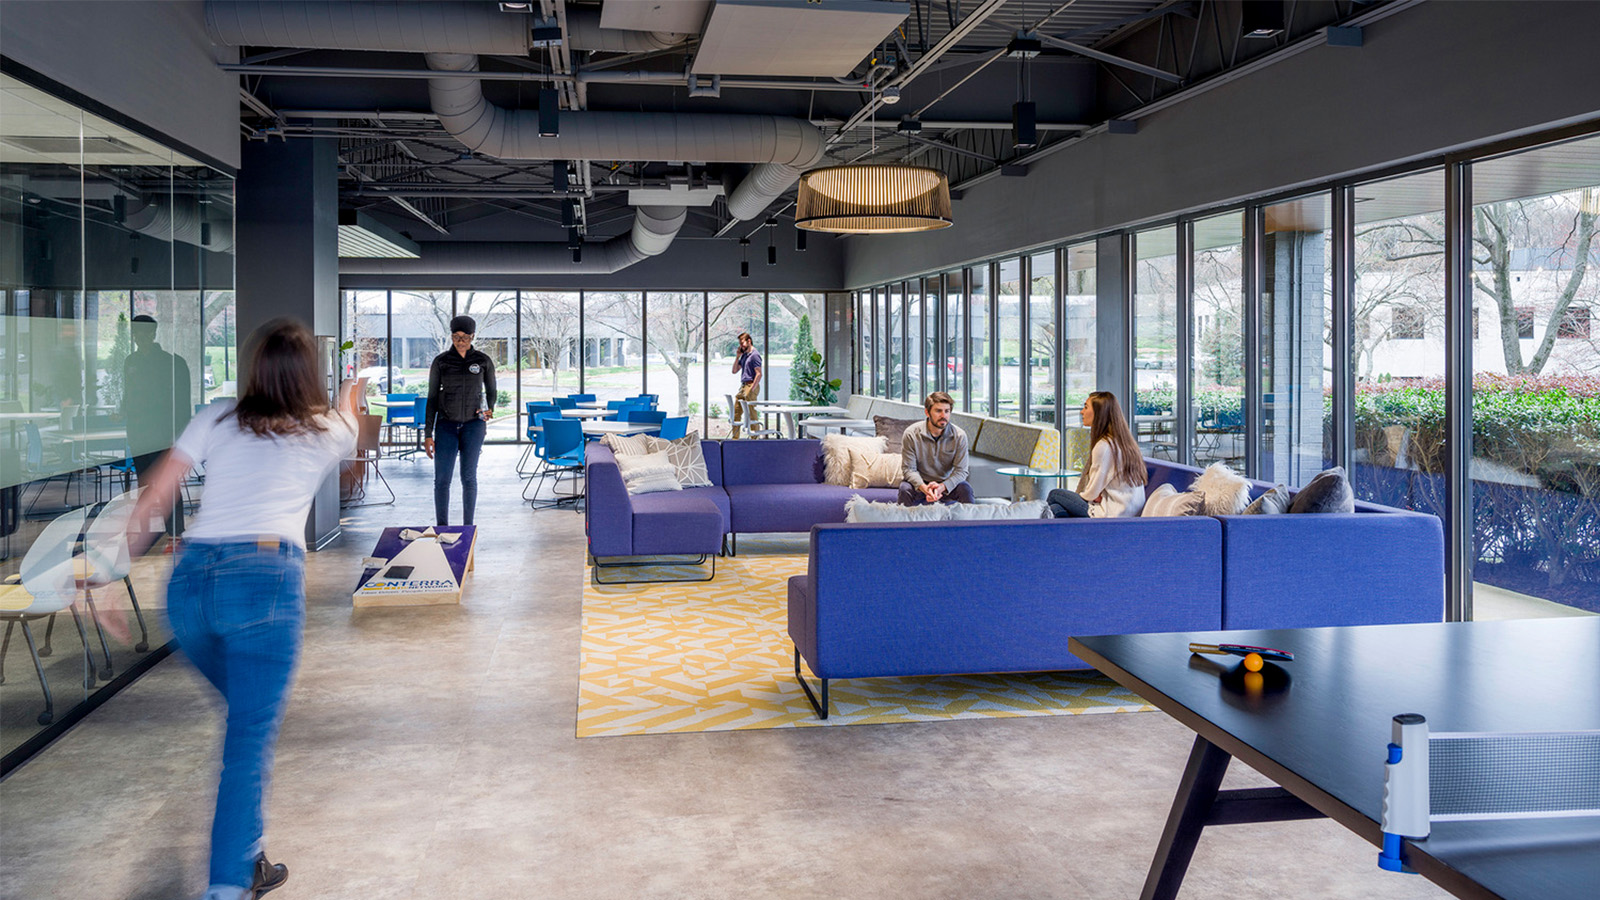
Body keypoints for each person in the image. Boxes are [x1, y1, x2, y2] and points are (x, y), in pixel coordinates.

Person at [123, 319, 358, 900]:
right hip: (263, 581)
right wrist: (352, 391)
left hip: (189, 589)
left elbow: (157, 493)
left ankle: (248, 856)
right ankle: (227, 886)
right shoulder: (326, 427)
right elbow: (354, 421)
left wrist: (111, 572)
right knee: (248, 739)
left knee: (248, 721)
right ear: (310, 375)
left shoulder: (217, 416)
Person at [123, 314, 193, 536]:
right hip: (138, 433)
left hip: (163, 433)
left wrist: (179, 436)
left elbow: (182, 403)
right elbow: (129, 395)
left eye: (145, 332)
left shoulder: (171, 363)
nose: (140, 337)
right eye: (136, 333)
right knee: (143, 482)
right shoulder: (130, 362)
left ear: (153, 334)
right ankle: (144, 532)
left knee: (168, 483)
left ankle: (175, 533)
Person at [423, 315, 496, 526]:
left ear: (472, 336)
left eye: (465, 337)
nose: (460, 341)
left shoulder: (482, 361)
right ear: (452, 336)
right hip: (446, 426)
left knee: (469, 478)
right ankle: (441, 527)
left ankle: (468, 528)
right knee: (442, 480)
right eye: (456, 336)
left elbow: (491, 390)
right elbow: (432, 398)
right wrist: (428, 433)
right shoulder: (442, 361)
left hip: (473, 426)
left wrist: (489, 410)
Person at [1047, 391, 1148, 518]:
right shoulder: (1123, 442)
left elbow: (1091, 493)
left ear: (1099, 413)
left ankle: (1038, 534)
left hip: (1111, 513)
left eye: (1086, 407)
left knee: (1055, 495)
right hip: (1129, 511)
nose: (1081, 412)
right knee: (1056, 509)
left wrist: (1093, 497)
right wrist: (1096, 495)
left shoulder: (1104, 446)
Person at [898, 391, 974, 506]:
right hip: (920, 483)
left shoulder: (959, 436)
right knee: (905, 489)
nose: (943, 416)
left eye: (947, 411)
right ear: (927, 412)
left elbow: (961, 471)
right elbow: (909, 469)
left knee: (965, 489)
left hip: (946, 483)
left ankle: (970, 523)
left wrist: (942, 487)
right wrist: (925, 488)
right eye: (938, 411)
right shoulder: (911, 434)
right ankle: (902, 524)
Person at [730, 331, 762, 439]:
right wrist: (737, 357)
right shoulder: (744, 355)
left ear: (749, 341)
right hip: (743, 386)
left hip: (751, 385)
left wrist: (752, 388)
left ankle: (755, 438)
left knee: (752, 413)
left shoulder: (755, 355)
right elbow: (734, 370)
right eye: (739, 344)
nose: (741, 346)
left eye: (742, 343)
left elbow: (759, 374)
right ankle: (735, 439)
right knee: (736, 412)